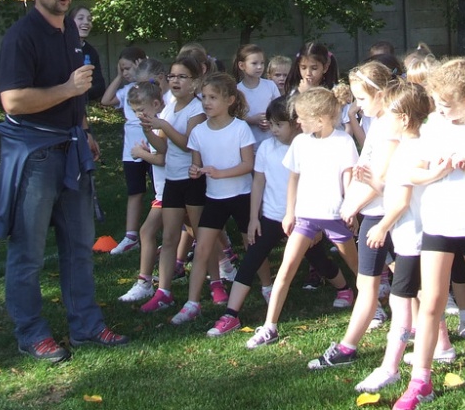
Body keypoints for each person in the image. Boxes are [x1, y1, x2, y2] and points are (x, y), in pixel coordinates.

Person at [0, 0, 127, 363]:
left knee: (79, 247)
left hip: (71, 150)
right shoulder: (21, 36)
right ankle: (32, 333)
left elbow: (78, 94)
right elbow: (13, 101)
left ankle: (86, 325)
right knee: (28, 253)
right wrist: (68, 90)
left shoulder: (70, 29)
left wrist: (84, 130)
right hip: (34, 155)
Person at [392, 57, 465, 410]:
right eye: (438, 102)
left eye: (446, 103)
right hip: (438, 226)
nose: (440, 108)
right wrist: (437, 173)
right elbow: (413, 173)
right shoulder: (432, 127)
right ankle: (421, 379)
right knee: (431, 301)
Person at [205, 96, 349, 337]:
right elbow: (258, 183)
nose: (273, 129)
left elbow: (317, 185)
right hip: (271, 218)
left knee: (319, 260)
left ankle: (344, 288)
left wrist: (317, 225)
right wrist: (254, 218)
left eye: (279, 125)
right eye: (271, 124)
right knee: (250, 261)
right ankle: (231, 315)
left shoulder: (307, 147)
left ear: (295, 124)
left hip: (303, 220)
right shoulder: (265, 149)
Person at [244, 87, 360, 350]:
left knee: (357, 268)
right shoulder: (300, 143)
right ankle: (270, 326)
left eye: (302, 117)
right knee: (286, 269)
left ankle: (373, 308)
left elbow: (348, 176)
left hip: (335, 215)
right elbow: (293, 179)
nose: (297, 121)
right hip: (305, 217)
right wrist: (290, 212)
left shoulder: (343, 142)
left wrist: (350, 207)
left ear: (320, 119)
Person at [309, 61, 397, 370]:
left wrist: (353, 206)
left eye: (361, 98)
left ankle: (347, 348)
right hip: (377, 213)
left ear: (380, 93)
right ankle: (437, 340)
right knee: (384, 282)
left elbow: (381, 178)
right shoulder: (377, 122)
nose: (357, 105)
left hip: (388, 216)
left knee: (385, 283)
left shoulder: (390, 126)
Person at [353, 80, 438, 393]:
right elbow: (397, 190)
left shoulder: (410, 149)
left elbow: (402, 201)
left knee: (401, 303)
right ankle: (441, 347)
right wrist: (372, 181)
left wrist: (382, 226)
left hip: (412, 239)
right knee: (421, 298)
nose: (383, 118)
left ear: (403, 118)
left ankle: (389, 367)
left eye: (388, 112)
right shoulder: (416, 145)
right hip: (413, 237)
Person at [170, 73, 256, 324]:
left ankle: (267, 286)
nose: (206, 103)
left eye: (213, 98)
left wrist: (220, 173)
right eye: (204, 97)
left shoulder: (240, 128)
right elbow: (196, 165)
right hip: (214, 199)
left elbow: (248, 164)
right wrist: (194, 171)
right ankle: (192, 303)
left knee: (252, 246)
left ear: (230, 100)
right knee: (202, 249)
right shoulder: (198, 132)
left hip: (241, 196)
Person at [137, 56, 210, 313]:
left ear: (195, 83)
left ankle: (216, 283)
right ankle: (164, 292)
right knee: (169, 237)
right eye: (172, 76)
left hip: (193, 179)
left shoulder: (197, 109)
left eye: (182, 77)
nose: (175, 81)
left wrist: (163, 125)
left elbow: (188, 144)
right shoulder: (168, 108)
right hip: (172, 180)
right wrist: (148, 129)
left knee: (202, 236)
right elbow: (163, 148)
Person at [117, 80, 168, 303]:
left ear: (156, 104)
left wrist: (141, 154)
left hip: (171, 190)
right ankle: (225, 266)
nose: (138, 115)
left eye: (140, 110)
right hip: (165, 191)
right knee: (200, 232)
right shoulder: (155, 125)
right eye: (134, 111)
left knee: (147, 232)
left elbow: (163, 158)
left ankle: (144, 283)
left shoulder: (163, 123)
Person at [100, 47, 148, 254]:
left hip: (152, 147)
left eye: (128, 68)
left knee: (162, 192)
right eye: (122, 69)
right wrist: (119, 77)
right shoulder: (126, 91)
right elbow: (105, 100)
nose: (125, 72)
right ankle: (131, 236)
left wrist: (143, 73)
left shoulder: (151, 88)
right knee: (134, 191)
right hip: (131, 150)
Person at [233, 44, 281, 147]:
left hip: (271, 142)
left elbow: (279, 109)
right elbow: (233, 117)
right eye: (254, 63)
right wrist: (250, 120)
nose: (259, 67)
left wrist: (271, 121)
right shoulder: (237, 90)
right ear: (242, 66)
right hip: (248, 145)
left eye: (262, 63)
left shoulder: (270, 85)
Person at [70, 6, 106, 103]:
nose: (86, 22)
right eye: (80, 18)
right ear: (70, 22)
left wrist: (81, 94)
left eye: (89, 19)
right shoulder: (60, 47)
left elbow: (100, 86)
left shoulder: (91, 52)